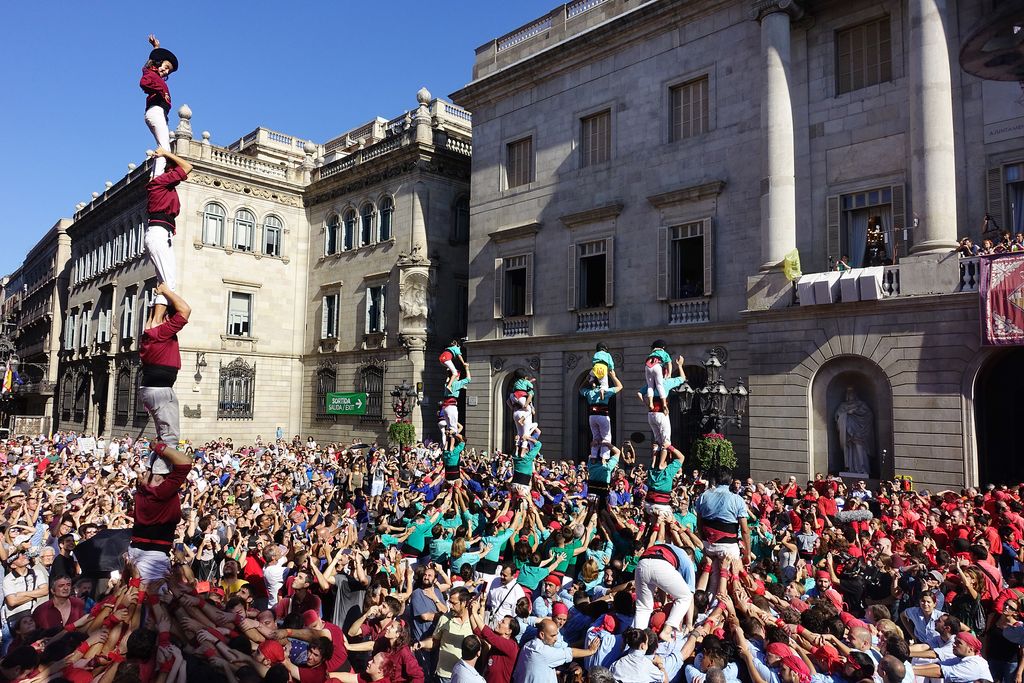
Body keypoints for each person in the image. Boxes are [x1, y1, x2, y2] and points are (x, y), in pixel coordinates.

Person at [127, 440, 193, 581]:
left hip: (135, 552)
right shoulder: (161, 492)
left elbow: (149, 476)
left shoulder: (142, 492)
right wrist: (158, 447)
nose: (143, 476)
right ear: (160, 479)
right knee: (152, 597)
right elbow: (186, 462)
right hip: (152, 558)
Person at [138, 283, 190, 447]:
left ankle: (157, 458)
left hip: (152, 389)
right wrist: (166, 291)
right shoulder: (160, 333)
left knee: (165, 434)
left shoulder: (149, 333)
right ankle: (163, 470)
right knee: (171, 438)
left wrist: (160, 297)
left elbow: (154, 319)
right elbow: (185, 311)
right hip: (160, 390)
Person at [144, 147, 193, 318]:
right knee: (168, 282)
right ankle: (157, 321)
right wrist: (166, 153)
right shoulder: (159, 183)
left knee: (167, 281)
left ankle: (155, 319)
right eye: (173, 169)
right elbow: (187, 167)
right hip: (158, 233)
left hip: (163, 235)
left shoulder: (166, 188)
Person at [633, 543, 695, 640]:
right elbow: (690, 594)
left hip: (642, 563)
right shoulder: (688, 562)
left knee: (643, 608)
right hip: (661, 564)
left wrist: (664, 602)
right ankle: (666, 631)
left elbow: (661, 584)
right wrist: (689, 624)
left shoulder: (669, 548)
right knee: (685, 596)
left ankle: (637, 642)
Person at [140, 34, 178, 177]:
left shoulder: (155, 76)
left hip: (159, 113)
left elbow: (147, 68)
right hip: (155, 111)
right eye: (166, 66)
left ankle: (155, 175)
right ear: (158, 62)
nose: (166, 71)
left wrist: (156, 48)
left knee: (164, 145)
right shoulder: (152, 75)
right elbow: (144, 82)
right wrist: (158, 90)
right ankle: (157, 178)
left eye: (169, 71)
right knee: (165, 147)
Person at [644, 341, 672, 413]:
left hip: (647, 367)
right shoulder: (664, 353)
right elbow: (669, 363)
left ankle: (650, 402)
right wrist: (669, 374)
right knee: (660, 385)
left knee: (650, 386)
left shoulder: (651, 354)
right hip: (657, 366)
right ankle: (664, 404)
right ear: (663, 347)